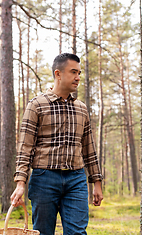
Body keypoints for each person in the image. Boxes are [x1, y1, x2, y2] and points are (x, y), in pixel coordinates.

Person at [10, 53, 103, 235]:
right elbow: (25, 147)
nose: (78, 77)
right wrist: (21, 182)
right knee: (43, 232)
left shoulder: (81, 108)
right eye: (73, 72)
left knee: (77, 232)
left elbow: (88, 147)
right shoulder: (36, 105)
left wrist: (96, 181)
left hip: (76, 179)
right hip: (44, 178)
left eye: (79, 73)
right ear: (58, 74)